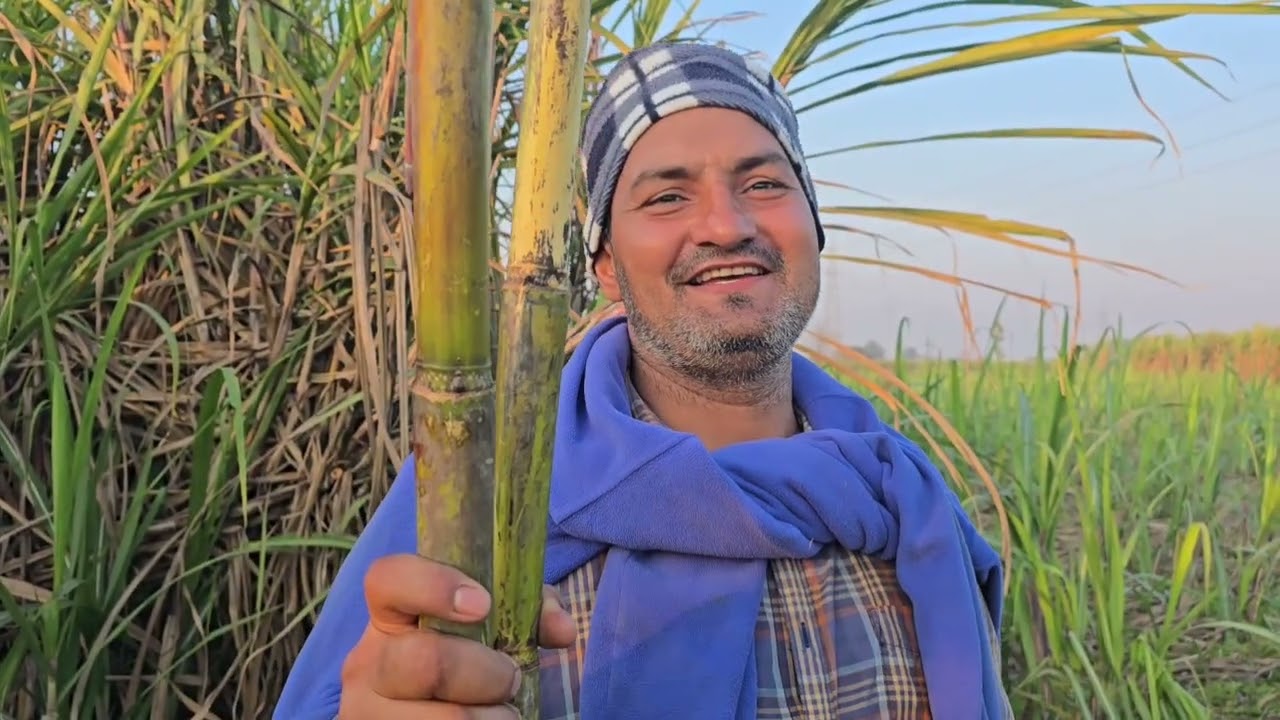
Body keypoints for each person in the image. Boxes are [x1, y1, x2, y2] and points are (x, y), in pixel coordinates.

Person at [275, 41, 1012, 720]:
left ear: (812, 225)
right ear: (604, 265)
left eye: (762, 182)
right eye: (666, 197)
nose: (725, 225)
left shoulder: (902, 500)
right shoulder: (483, 506)